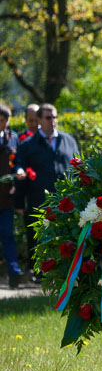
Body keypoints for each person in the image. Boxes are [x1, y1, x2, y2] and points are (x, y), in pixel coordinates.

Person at [14, 103, 79, 264]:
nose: (53, 121)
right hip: (38, 201)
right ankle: (38, 273)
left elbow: (78, 168)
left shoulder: (69, 141)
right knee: (38, 238)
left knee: (66, 240)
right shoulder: (27, 144)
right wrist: (19, 202)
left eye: (55, 117)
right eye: (48, 118)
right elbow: (19, 168)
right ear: (39, 120)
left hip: (66, 201)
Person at [0, 104, 24, 289]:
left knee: (8, 234)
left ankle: (14, 273)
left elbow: (16, 162)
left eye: (4, 120)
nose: (2, 124)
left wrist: (19, 171)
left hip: (5, 196)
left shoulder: (13, 138)